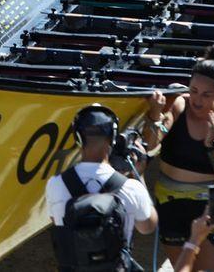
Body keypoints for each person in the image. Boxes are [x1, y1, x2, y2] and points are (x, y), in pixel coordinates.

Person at [142, 48, 214, 267]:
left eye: (206, 94)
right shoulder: (180, 104)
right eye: (194, 90)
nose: (197, 100)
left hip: (208, 203)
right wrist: (155, 114)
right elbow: (151, 143)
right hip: (170, 202)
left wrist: (211, 147)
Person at [48, 104, 156, 270]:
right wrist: (139, 175)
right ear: (113, 138)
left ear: (77, 137)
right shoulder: (130, 187)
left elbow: (58, 225)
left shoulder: (55, 184)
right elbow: (147, 227)